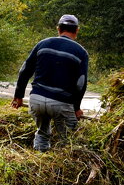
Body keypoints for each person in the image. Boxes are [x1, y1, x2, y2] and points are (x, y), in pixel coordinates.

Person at [12, 14, 89, 150]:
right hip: (61, 103)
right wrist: (76, 108)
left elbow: (24, 70)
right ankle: (65, 164)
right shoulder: (81, 52)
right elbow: (80, 83)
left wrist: (18, 96)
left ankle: (39, 159)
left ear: (58, 29)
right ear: (77, 30)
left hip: (37, 100)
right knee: (68, 139)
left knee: (42, 133)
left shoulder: (43, 43)